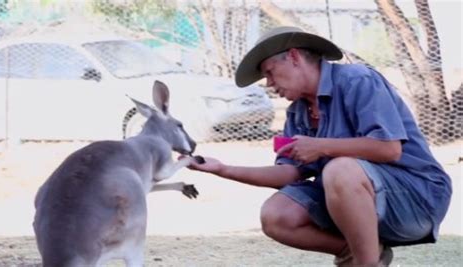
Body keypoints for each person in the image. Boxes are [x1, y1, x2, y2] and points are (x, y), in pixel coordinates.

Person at [188, 26, 452, 266]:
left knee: (339, 170)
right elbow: (289, 173)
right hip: (362, 199)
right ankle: (366, 254)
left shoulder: (357, 80)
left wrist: (322, 146)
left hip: (417, 199)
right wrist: (222, 169)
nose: (268, 84)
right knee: (277, 214)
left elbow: (390, 149)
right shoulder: (297, 113)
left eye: (269, 72)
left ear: (293, 57)